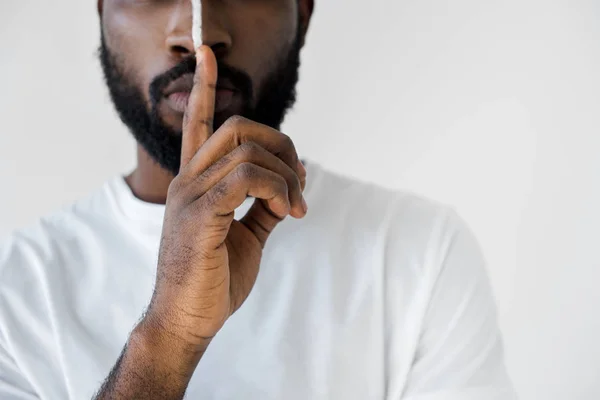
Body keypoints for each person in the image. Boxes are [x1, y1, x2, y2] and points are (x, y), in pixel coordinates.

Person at [0, 1, 517, 399]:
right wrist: (167, 339)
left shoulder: (419, 253)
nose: (198, 36)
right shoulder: (14, 293)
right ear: (101, 11)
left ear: (303, 13)